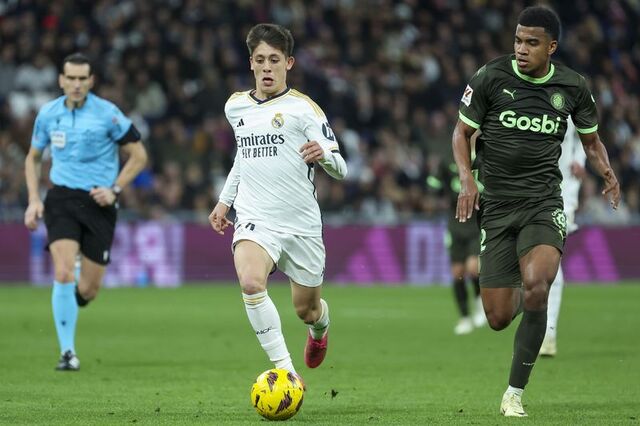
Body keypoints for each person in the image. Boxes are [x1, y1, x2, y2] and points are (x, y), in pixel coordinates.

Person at [452, 6, 620, 417]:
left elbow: (591, 141)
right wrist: (467, 179)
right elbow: (461, 132)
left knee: (538, 285)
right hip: (497, 208)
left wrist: (608, 173)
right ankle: (524, 305)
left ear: (551, 47)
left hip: (544, 203)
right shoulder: (491, 77)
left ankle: (514, 393)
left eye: (531, 42)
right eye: (517, 40)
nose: (522, 49)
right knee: (497, 316)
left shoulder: (573, 86)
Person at [208, 24, 347, 378]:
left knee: (306, 310)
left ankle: (320, 328)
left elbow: (341, 168)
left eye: (274, 59)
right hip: (255, 217)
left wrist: (324, 156)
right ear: (251, 63)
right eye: (260, 60)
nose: (267, 67)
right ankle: (286, 371)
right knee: (251, 282)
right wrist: (225, 201)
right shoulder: (236, 107)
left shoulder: (304, 109)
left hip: (300, 223)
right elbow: (243, 156)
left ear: (289, 63)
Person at [24, 53, 148, 371]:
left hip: (99, 202)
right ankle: (67, 353)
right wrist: (34, 199)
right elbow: (33, 157)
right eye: (71, 78)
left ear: (91, 81)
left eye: (82, 79)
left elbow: (139, 155)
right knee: (63, 271)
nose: (76, 84)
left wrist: (115, 189)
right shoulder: (48, 114)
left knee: (88, 291)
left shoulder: (108, 114)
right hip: (61, 198)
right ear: (61, 80)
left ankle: (74, 291)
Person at [539, 117, 585, 357]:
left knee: (551, 257)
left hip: (562, 194)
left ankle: (549, 333)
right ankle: (538, 326)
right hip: (528, 192)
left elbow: (587, 135)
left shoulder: (571, 98)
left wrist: (579, 159)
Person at [427, 160, 485, 335]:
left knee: (473, 268)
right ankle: (465, 318)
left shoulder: (482, 157)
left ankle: (479, 300)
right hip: (455, 223)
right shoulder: (448, 160)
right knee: (458, 273)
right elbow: (433, 184)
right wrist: (436, 195)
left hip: (475, 223)